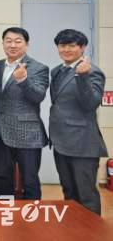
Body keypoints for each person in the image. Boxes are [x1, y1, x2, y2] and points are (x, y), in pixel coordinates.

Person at [49, 29, 108, 215]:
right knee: (69, 192)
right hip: (61, 142)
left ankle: (92, 230)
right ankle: (73, 227)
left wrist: (83, 77)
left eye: (72, 45)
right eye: (62, 45)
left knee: (86, 195)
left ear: (82, 48)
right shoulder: (57, 71)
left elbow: (91, 103)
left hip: (83, 143)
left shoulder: (92, 71)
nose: (66, 49)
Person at [0, 27, 49, 200]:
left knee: (29, 180)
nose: (12, 45)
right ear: (3, 43)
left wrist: (23, 80)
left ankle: (32, 215)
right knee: (3, 178)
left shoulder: (39, 68)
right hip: (0, 133)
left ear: (26, 44)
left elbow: (38, 96)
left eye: (18, 41)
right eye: (8, 41)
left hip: (27, 134)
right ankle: (6, 213)